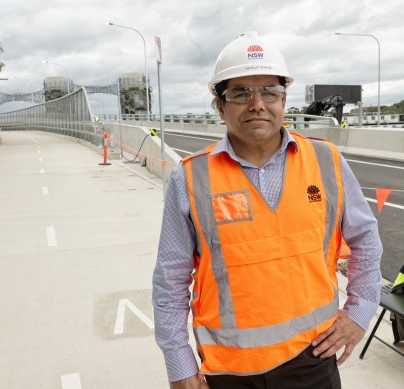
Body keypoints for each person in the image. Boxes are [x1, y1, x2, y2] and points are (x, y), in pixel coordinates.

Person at [152, 31, 383, 389]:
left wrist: (359, 310)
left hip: (314, 359)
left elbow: (365, 239)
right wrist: (179, 365)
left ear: (284, 99)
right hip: (228, 369)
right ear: (220, 104)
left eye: (269, 92)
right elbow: (169, 282)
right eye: (241, 93)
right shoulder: (190, 178)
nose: (257, 103)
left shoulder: (326, 160)